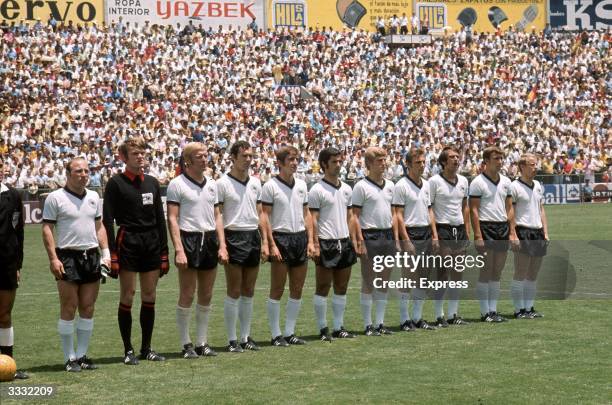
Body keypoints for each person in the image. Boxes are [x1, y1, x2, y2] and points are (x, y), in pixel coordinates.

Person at [103, 137, 168, 365]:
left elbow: (161, 219)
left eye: (142, 153)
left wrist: (164, 252)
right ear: (123, 157)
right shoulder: (115, 183)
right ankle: (128, 350)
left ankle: (146, 348)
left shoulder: (152, 182)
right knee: (128, 295)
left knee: (150, 296)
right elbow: (107, 220)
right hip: (127, 241)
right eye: (135, 154)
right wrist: (112, 254)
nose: (140, 157)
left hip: (151, 242)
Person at [42, 157, 110, 372]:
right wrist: (53, 258)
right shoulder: (55, 198)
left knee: (88, 307)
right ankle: (69, 357)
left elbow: (99, 226)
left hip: (91, 255)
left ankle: (81, 355)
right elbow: (47, 229)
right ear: (68, 173)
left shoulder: (93, 196)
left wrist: (105, 253)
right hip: (67, 257)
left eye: (86, 171)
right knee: (69, 306)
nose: (83, 175)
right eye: (78, 171)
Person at [166, 143, 228, 358]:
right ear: (188, 161)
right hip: (189, 238)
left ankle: (202, 342)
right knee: (187, 293)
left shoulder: (212, 184)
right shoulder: (177, 184)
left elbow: (217, 215)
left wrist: (222, 245)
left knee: (207, 293)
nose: (204, 159)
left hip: (209, 238)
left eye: (205, 155)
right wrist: (179, 250)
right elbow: (172, 218)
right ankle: (186, 343)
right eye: (199, 156)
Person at [216, 141, 269, 353]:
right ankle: (232, 339)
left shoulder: (256, 183)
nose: (248, 159)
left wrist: (265, 240)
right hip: (233, 236)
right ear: (233, 157)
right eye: (244, 156)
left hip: (252, 236)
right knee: (234, 290)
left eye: (250, 156)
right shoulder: (222, 184)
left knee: (249, 290)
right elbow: (217, 215)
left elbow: (261, 214)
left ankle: (246, 337)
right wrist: (222, 244)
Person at [261, 146, 314, 347]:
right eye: (290, 159)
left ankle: (290, 332)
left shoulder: (301, 184)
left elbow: (307, 213)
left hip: (300, 238)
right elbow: (264, 216)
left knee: (297, 288)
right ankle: (276, 334)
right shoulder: (270, 186)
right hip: (281, 239)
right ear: (280, 163)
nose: (294, 163)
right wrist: (271, 243)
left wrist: (310, 240)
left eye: (296, 159)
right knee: (277, 289)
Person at [309, 147, 358, 341]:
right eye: (334, 162)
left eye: (340, 161)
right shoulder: (317, 190)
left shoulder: (346, 189)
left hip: (344, 242)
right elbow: (312, 219)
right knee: (322, 287)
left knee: (342, 287)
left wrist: (354, 240)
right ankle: (323, 329)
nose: (338, 165)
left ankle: (339, 327)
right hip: (326, 243)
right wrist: (314, 243)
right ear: (323, 165)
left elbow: (350, 217)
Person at [469, 146, 517, 323]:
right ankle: (485, 312)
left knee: (497, 270)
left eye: (501, 158)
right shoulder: (477, 182)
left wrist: (512, 231)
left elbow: (509, 208)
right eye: (496, 158)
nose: (500, 161)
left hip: (502, 228)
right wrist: (478, 235)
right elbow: (473, 210)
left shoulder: (506, 181)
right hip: (486, 228)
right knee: (486, 270)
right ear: (486, 161)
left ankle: (493, 310)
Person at [352, 147, 395, 336]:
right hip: (369, 235)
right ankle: (368, 324)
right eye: (379, 161)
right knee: (368, 280)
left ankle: (380, 323)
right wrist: (359, 240)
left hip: (387, 235)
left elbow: (392, 212)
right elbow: (354, 216)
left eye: (384, 160)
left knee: (384, 281)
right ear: (369, 164)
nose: (383, 164)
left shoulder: (391, 185)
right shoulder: (361, 186)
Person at [393, 148, 437, 331]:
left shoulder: (426, 185)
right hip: (410, 234)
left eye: (423, 162)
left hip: (426, 233)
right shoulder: (401, 185)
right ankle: (405, 319)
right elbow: (398, 215)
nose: (422, 165)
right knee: (408, 278)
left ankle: (418, 317)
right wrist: (406, 240)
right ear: (408, 164)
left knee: (423, 278)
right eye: (418, 162)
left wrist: (434, 235)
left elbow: (429, 211)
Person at [429, 146, 471, 326]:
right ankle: (439, 315)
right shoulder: (434, 182)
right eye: (452, 157)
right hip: (443, 229)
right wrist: (434, 235)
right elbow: (429, 208)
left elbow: (465, 207)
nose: (456, 159)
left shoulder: (463, 181)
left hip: (459, 230)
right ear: (443, 162)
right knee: (443, 272)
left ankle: (454, 314)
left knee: (458, 273)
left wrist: (466, 230)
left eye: (457, 157)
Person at [510, 154, 548, 319]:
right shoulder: (514, 187)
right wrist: (513, 234)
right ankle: (519, 310)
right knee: (520, 271)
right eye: (532, 165)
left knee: (533, 273)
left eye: (536, 164)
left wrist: (545, 231)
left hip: (537, 232)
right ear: (522, 167)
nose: (535, 167)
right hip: (522, 231)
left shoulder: (538, 185)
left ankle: (529, 307)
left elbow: (541, 209)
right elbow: (509, 212)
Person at [0, 158, 28, 379]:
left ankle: (8, 363)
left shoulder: (13, 196)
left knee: (5, 314)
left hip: (7, 263)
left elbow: (19, 232)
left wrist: (17, 264)